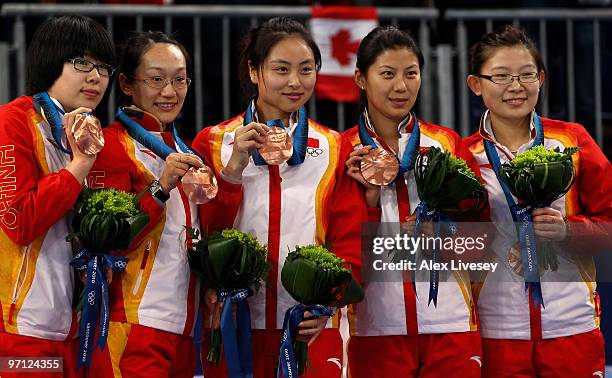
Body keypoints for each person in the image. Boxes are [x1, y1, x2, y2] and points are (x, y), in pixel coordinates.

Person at [192, 16, 363, 378]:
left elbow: (349, 238)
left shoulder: (333, 146)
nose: (295, 82)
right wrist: (233, 171)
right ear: (254, 71)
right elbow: (200, 233)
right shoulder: (214, 142)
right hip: (233, 323)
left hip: (309, 329)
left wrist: (327, 305)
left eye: (306, 69)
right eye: (281, 69)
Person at [463, 25, 612, 377]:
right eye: (501, 76)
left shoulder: (573, 141)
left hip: (571, 326)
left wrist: (567, 231)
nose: (516, 87)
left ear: (541, 78)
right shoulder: (464, 155)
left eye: (526, 74)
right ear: (476, 84)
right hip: (496, 330)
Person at [342, 26, 485, 378]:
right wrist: (370, 203)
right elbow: (337, 241)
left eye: (411, 73)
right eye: (387, 74)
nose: (401, 87)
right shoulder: (342, 152)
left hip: (450, 323)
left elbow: (483, 232)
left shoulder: (446, 144)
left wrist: (445, 231)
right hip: (377, 327)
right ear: (361, 78)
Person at [0, 15, 115, 378]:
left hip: (74, 331)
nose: (96, 77)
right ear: (51, 59)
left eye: (103, 67)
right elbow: (20, 221)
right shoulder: (12, 122)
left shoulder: (81, 131)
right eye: (82, 63)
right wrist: (80, 165)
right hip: (20, 332)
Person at [87, 31, 203, 378]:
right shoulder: (107, 146)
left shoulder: (185, 150)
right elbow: (106, 238)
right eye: (156, 79)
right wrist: (161, 185)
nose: (169, 92)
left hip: (183, 329)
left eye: (179, 80)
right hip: (131, 322)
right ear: (125, 83)